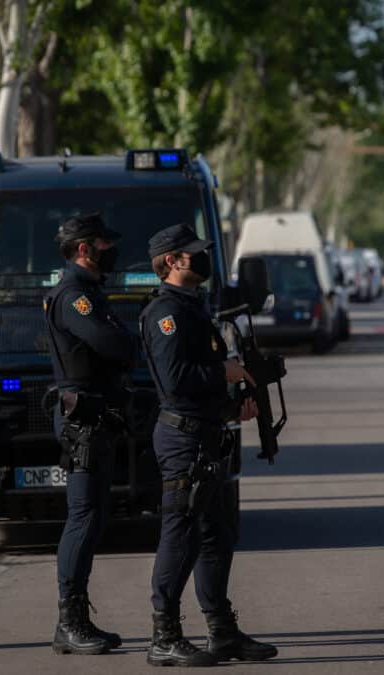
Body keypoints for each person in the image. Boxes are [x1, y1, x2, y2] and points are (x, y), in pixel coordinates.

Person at [139, 223, 279, 667]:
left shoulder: (193, 308)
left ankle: (222, 632)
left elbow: (202, 374)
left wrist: (233, 402)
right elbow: (176, 380)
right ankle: (165, 635)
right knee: (179, 534)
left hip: (205, 433)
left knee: (216, 536)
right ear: (173, 261)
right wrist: (227, 372)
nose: (202, 259)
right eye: (193, 253)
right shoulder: (167, 314)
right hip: (182, 439)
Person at [43, 212, 138, 655]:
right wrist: (125, 339)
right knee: (82, 518)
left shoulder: (87, 293)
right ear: (84, 249)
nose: (110, 251)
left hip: (96, 417)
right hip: (83, 421)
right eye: (103, 244)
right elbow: (115, 344)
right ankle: (70, 622)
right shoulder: (74, 297)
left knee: (93, 516)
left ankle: (76, 620)